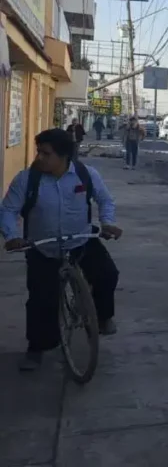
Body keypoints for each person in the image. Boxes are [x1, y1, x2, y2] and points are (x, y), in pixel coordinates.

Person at [0, 129, 123, 371]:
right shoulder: (27, 179)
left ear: (64, 156)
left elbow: (105, 200)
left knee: (107, 274)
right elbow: (8, 210)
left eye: (46, 154)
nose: (40, 158)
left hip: (80, 239)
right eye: (39, 152)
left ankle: (102, 317)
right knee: (41, 299)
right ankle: (37, 349)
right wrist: (12, 236)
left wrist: (108, 222)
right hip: (42, 247)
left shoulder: (85, 175)